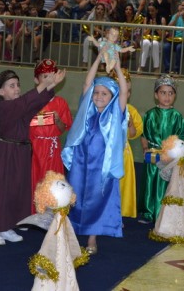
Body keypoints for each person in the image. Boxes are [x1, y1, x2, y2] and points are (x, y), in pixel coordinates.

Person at [0, 67, 66, 245]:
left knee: (17, 189)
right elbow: (26, 102)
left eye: (18, 85)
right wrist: (44, 84)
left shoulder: (18, 107)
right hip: (6, 153)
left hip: (20, 152)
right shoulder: (4, 107)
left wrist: (50, 87)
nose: (17, 88)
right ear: (1, 92)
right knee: (4, 191)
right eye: (11, 86)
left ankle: (8, 225)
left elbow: (33, 104)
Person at [61, 50, 128, 255]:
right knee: (75, 197)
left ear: (112, 97)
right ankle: (70, 232)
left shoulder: (116, 113)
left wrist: (116, 66)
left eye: (104, 94)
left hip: (102, 167)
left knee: (99, 200)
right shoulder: (86, 109)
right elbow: (87, 84)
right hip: (80, 164)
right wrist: (99, 58)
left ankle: (92, 237)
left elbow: (124, 91)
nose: (99, 96)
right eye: (97, 93)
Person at [138, 74, 184, 224]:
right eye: (163, 92)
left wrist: (176, 153)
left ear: (175, 95)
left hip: (169, 158)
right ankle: (148, 212)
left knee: (165, 184)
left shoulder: (177, 116)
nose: (167, 96)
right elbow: (144, 135)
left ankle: (163, 213)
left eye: (170, 93)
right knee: (149, 183)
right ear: (156, 95)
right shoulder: (149, 115)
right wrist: (145, 148)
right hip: (153, 155)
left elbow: (181, 139)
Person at [30, 59, 73, 213]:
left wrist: (58, 120)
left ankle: (53, 210)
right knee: (35, 178)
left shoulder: (61, 103)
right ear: (36, 79)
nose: (48, 79)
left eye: (51, 75)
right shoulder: (30, 101)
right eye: (44, 76)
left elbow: (63, 128)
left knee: (54, 179)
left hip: (53, 149)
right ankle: (34, 212)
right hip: (35, 148)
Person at [110, 68, 143, 218]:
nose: (125, 94)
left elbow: (133, 135)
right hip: (107, 153)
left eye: (128, 91)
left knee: (122, 184)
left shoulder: (131, 111)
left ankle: (119, 213)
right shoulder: (104, 109)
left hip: (123, 154)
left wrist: (130, 125)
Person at [137, 2, 166, 74]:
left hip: (158, 41)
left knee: (155, 43)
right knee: (146, 43)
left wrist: (156, 27)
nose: (151, 13)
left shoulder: (162, 19)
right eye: (149, 11)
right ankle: (141, 67)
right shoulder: (146, 19)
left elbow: (163, 36)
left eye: (152, 11)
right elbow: (143, 33)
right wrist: (150, 27)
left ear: (157, 10)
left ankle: (157, 68)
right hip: (146, 39)